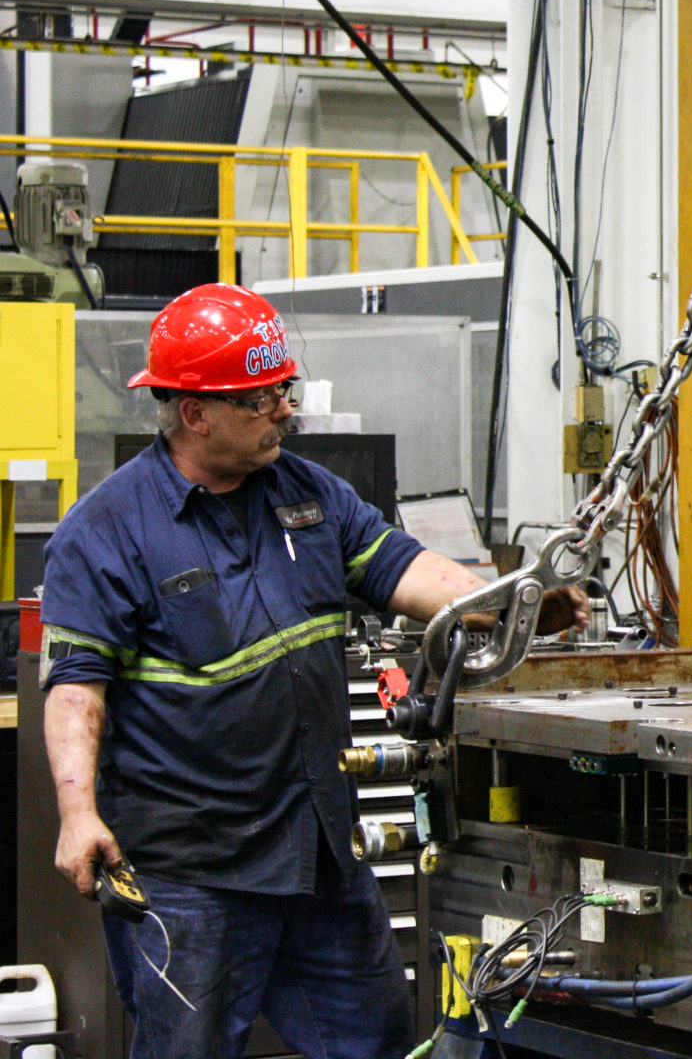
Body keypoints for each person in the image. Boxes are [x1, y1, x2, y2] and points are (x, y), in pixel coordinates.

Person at [40, 283, 587, 1059]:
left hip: (318, 853)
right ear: (195, 412)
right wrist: (76, 812)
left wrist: (514, 600)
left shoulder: (310, 494)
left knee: (372, 1044)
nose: (285, 411)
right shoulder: (104, 532)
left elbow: (412, 571)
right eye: (262, 398)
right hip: (190, 872)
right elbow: (75, 690)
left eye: (283, 390)